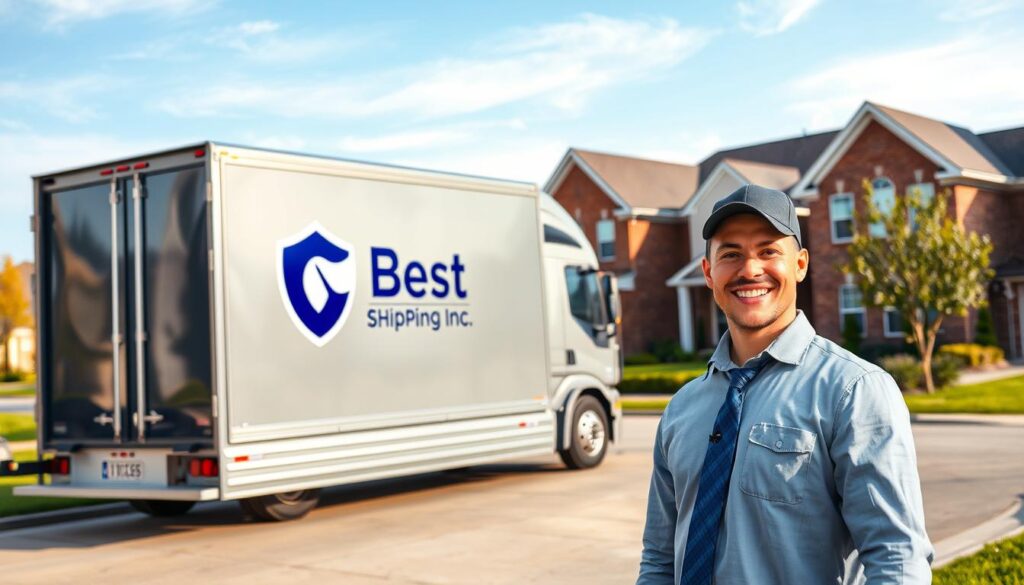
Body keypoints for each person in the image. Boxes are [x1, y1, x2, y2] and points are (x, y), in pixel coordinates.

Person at [636, 184, 932, 585]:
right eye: (731, 254)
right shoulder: (681, 409)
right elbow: (659, 557)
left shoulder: (854, 391)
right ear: (708, 273)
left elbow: (898, 561)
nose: (750, 269)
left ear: (800, 265)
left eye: (768, 251)